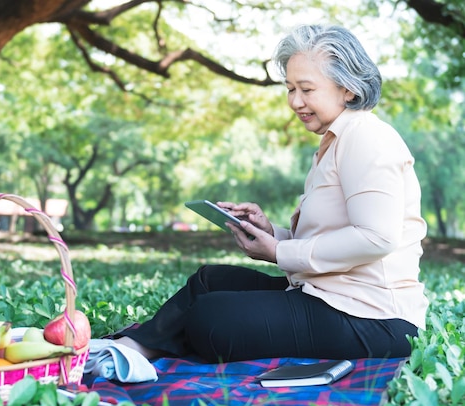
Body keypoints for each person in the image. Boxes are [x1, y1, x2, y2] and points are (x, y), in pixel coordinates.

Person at [112, 24, 428, 363]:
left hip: (374, 318)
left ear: (348, 89)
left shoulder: (367, 138)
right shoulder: (335, 141)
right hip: (328, 294)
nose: (295, 101)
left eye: (306, 89)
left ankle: (134, 349)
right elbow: (330, 236)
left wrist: (279, 251)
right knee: (209, 281)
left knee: (211, 316)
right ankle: (136, 347)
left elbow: (376, 238)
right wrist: (272, 233)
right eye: (290, 88)